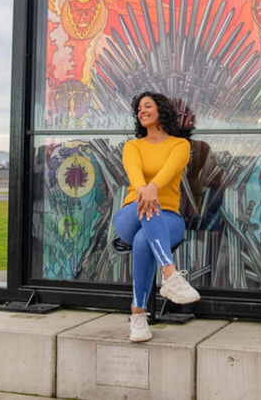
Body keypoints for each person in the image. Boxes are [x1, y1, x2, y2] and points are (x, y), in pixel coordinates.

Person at [114, 91, 200, 342]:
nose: (142, 111)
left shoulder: (180, 145)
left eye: (147, 106)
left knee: (144, 241)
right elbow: (135, 176)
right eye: (139, 108)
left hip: (168, 219)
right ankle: (170, 274)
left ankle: (138, 316)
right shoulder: (133, 146)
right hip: (130, 214)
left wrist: (153, 189)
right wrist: (146, 190)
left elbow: (169, 170)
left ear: (161, 110)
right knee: (147, 207)